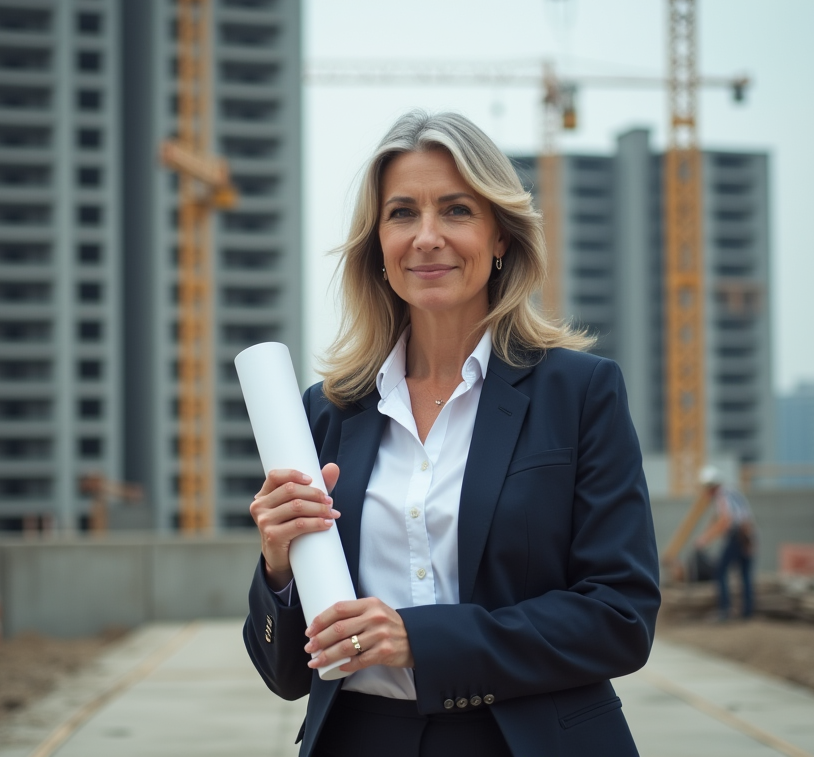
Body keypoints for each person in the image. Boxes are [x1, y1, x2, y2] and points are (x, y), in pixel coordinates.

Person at [242, 110, 660, 757]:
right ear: (377, 243)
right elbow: (287, 676)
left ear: (500, 237)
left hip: (528, 742)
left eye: (457, 211)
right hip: (358, 740)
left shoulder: (579, 393)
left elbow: (620, 618)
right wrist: (278, 565)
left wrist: (422, 640)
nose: (427, 237)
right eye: (403, 213)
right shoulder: (324, 413)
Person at [693, 465, 755, 620]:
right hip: (748, 536)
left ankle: (724, 611)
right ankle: (747, 612)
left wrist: (704, 539)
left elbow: (725, 521)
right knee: (745, 575)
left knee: (720, 572)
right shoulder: (732, 492)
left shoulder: (722, 495)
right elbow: (718, 518)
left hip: (737, 536)